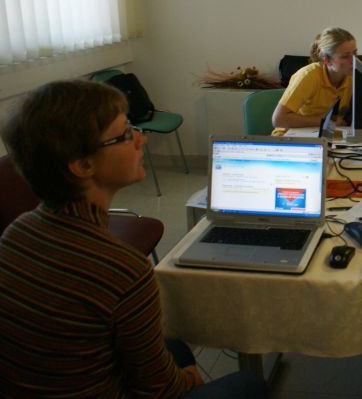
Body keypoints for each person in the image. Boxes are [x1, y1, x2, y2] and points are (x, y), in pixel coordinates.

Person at [0, 80, 267, 398]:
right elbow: (159, 390)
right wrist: (189, 379)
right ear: (84, 165)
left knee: (175, 347)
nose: (142, 139)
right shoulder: (122, 269)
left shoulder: (15, 233)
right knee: (249, 384)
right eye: (126, 133)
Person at [272, 27, 356, 133]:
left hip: (325, 135)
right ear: (327, 60)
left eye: (355, 53)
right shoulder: (309, 75)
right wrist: (327, 122)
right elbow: (278, 120)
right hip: (289, 136)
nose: (354, 60)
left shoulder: (351, 76)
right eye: (345, 56)